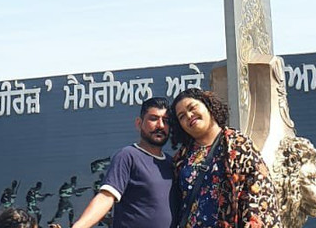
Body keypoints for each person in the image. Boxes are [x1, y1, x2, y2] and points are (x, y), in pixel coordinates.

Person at [170, 88, 279, 228]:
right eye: (182, 116)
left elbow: (259, 194)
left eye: (192, 108)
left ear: (207, 105)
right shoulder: (182, 158)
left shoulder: (238, 145)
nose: (189, 115)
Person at [71, 96, 175, 228]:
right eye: (153, 119)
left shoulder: (173, 164)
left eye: (165, 121)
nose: (160, 125)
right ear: (139, 123)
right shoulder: (128, 156)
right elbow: (106, 197)